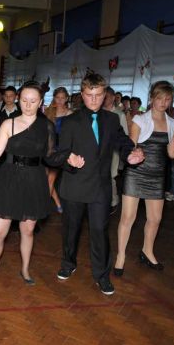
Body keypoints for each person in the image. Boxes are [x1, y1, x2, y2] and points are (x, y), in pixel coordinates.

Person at [0, 83, 81, 285]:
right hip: (9, 179)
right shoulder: (8, 124)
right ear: (18, 100)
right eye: (24, 100)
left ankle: (25, 270)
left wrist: (68, 157)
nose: (28, 105)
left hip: (34, 180)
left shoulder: (46, 126)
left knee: (28, 231)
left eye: (33, 101)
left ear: (40, 102)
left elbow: (50, 156)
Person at [55, 73, 144, 295]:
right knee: (71, 230)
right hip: (74, 184)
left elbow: (123, 142)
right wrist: (69, 160)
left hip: (100, 187)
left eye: (98, 95)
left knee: (99, 231)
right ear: (82, 95)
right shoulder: (70, 121)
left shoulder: (112, 120)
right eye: (89, 95)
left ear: (105, 95)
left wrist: (130, 153)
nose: (93, 100)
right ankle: (68, 263)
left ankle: (102, 275)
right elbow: (61, 152)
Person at [114, 81, 174, 276]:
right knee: (127, 218)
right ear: (152, 98)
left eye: (167, 99)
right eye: (159, 98)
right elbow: (130, 146)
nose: (163, 102)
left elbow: (173, 152)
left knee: (155, 219)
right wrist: (134, 152)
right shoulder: (140, 120)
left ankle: (147, 251)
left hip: (157, 176)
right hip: (136, 173)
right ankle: (121, 256)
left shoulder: (172, 123)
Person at [44, 87, 72, 213]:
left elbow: (72, 135)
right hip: (46, 149)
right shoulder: (48, 111)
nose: (60, 100)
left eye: (62, 98)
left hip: (60, 150)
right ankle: (58, 203)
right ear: (54, 98)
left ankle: (43, 208)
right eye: (57, 97)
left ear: (66, 99)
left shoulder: (70, 114)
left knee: (50, 180)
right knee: (46, 180)